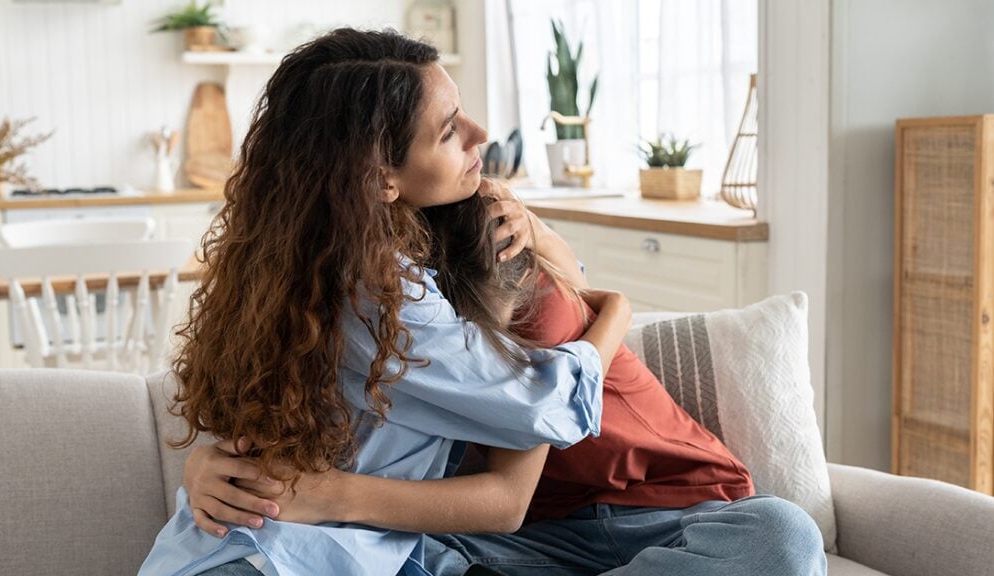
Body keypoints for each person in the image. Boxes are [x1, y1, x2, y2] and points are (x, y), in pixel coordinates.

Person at [138, 27, 633, 576]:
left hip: (222, 553)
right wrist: (618, 313)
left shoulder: (292, 264)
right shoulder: (383, 292)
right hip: (281, 560)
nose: (481, 133)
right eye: (448, 131)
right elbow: (542, 405)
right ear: (379, 180)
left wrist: (535, 232)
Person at [191, 192, 828, 576]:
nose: (476, 138)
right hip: (517, 546)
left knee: (780, 533)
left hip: (673, 516)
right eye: (447, 132)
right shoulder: (378, 305)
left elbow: (508, 487)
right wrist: (208, 465)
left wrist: (608, 310)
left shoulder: (509, 281)